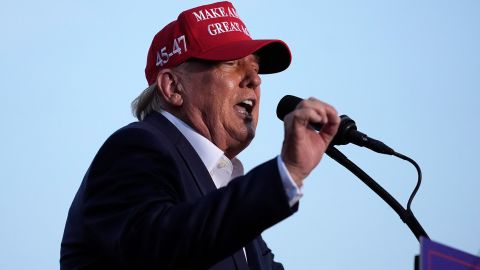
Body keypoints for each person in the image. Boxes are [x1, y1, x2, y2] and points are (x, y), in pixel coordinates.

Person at [60, 1, 340, 269]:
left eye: (254, 70)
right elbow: (158, 246)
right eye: (231, 64)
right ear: (173, 87)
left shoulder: (225, 196)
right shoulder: (136, 148)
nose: (254, 80)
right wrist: (286, 173)